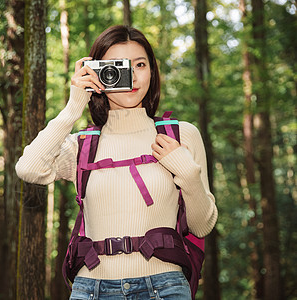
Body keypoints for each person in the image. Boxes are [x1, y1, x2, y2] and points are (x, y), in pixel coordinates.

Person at [16, 25, 217, 300]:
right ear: (99, 74)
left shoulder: (181, 135)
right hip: (91, 289)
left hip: (165, 287)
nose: (132, 76)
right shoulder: (83, 145)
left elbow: (202, 226)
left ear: (152, 71)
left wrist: (186, 172)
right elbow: (28, 168)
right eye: (118, 66)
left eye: (140, 64)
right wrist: (73, 107)